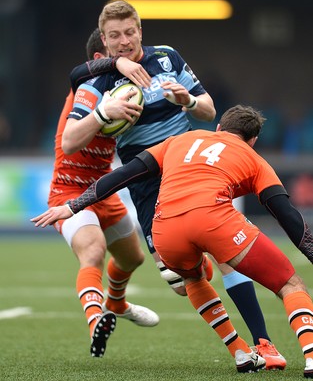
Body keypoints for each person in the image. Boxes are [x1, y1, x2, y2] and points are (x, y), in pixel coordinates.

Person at [66, 0, 286, 369]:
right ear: (104, 39)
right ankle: (204, 274)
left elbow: (209, 110)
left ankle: (260, 347)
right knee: (183, 281)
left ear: (140, 32)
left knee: (228, 257)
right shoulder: (96, 81)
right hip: (146, 182)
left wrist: (187, 101)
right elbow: (70, 140)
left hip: (190, 167)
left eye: (130, 32)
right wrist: (105, 114)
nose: (124, 41)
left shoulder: (167, 58)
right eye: (115, 36)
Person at [31, 105, 313, 377]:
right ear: (253, 141)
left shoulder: (179, 140)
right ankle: (310, 356)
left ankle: (240, 351)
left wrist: (74, 205)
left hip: (165, 229)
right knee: (290, 284)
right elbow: (287, 216)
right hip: (215, 221)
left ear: (218, 128)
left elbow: (124, 174)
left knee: (193, 279)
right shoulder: (254, 159)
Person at [45, 28, 159, 359]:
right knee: (93, 251)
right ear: (102, 59)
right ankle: (96, 321)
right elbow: (70, 137)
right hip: (67, 190)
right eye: (122, 60)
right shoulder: (86, 89)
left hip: (102, 189)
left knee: (133, 258)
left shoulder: (126, 91)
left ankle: (116, 303)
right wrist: (101, 113)